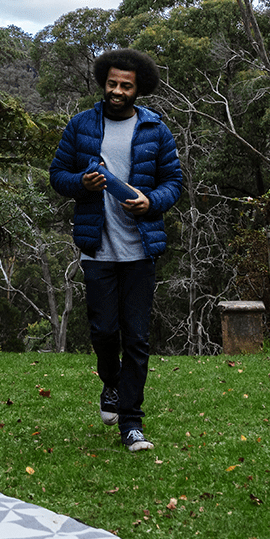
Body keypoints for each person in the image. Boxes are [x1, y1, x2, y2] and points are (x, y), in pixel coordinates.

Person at [48, 48, 185, 453]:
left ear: (138, 88)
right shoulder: (81, 126)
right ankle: (110, 381)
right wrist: (82, 184)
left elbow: (173, 182)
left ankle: (132, 424)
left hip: (141, 249)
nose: (118, 91)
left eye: (126, 85)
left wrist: (151, 202)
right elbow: (58, 175)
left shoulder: (156, 130)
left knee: (138, 338)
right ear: (103, 83)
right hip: (97, 249)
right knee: (104, 331)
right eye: (112, 84)